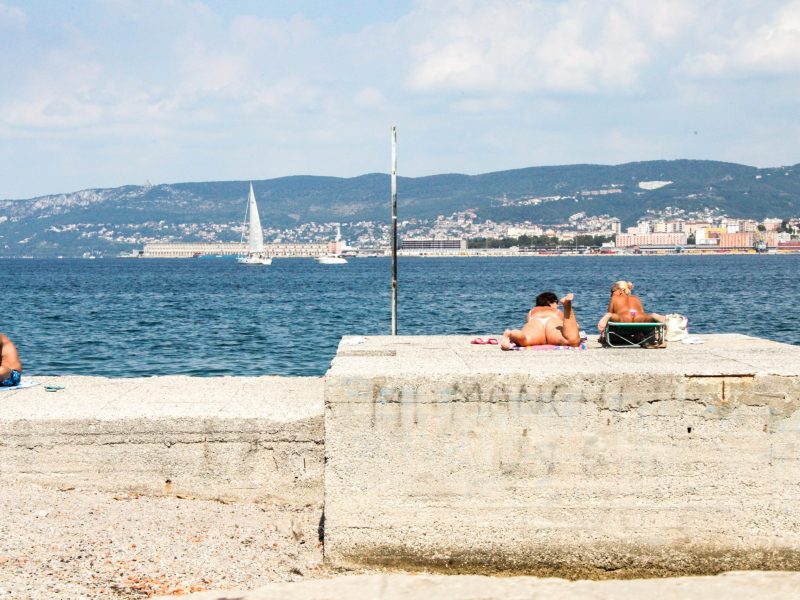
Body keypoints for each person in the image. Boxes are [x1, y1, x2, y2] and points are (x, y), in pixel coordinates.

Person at [501, 292, 582, 350]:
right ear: (550, 302)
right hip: (552, 320)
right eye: (556, 303)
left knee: (525, 340)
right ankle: (568, 307)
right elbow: (570, 325)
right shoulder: (556, 311)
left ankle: (510, 334)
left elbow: (529, 324)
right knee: (572, 342)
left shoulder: (531, 312)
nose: (557, 305)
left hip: (536, 322)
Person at [597, 281, 665, 333]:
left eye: (612, 291)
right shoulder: (636, 298)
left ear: (621, 290)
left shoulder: (615, 298)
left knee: (611, 316)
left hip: (624, 318)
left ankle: (608, 316)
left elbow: (610, 311)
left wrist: (609, 315)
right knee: (645, 317)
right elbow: (642, 312)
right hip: (638, 319)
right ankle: (653, 316)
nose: (611, 294)